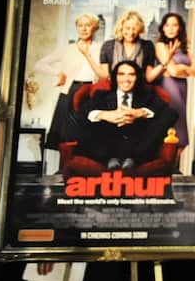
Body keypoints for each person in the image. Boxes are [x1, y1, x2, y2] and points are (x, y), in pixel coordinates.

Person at [76, 59, 178, 170]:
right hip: (106, 146)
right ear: (115, 77)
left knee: (168, 115)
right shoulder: (100, 95)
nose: (126, 79)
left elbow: (170, 113)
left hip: (138, 146)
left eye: (131, 75)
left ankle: (133, 159)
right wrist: (104, 115)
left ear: (137, 78)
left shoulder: (148, 96)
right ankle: (109, 159)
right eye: (121, 74)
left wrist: (141, 112)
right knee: (81, 119)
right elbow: (82, 113)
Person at [35, 12, 103, 155]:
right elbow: (40, 64)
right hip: (70, 91)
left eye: (88, 25)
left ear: (95, 28)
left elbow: (103, 72)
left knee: (88, 132)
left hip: (91, 92)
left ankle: (83, 169)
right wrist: (58, 73)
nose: (84, 29)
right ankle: (64, 170)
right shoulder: (68, 48)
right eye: (80, 25)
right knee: (66, 134)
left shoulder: (101, 48)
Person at [154, 13, 195, 154]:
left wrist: (182, 68)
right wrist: (186, 70)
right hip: (168, 88)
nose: (170, 28)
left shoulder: (185, 47)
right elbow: (173, 72)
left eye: (174, 25)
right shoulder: (160, 45)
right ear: (162, 28)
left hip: (182, 89)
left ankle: (172, 172)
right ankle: (164, 172)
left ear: (180, 28)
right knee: (169, 132)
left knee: (181, 140)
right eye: (167, 25)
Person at [98, 10, 162, 83]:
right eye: (127, 28)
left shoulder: (147, 46)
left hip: (139, 89)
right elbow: (104, 77)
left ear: (139, 29)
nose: (131, 33)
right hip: (113, 89)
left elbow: (148, 78)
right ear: (121, 28)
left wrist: (165, 63)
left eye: (134, 29)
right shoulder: (108, 46)